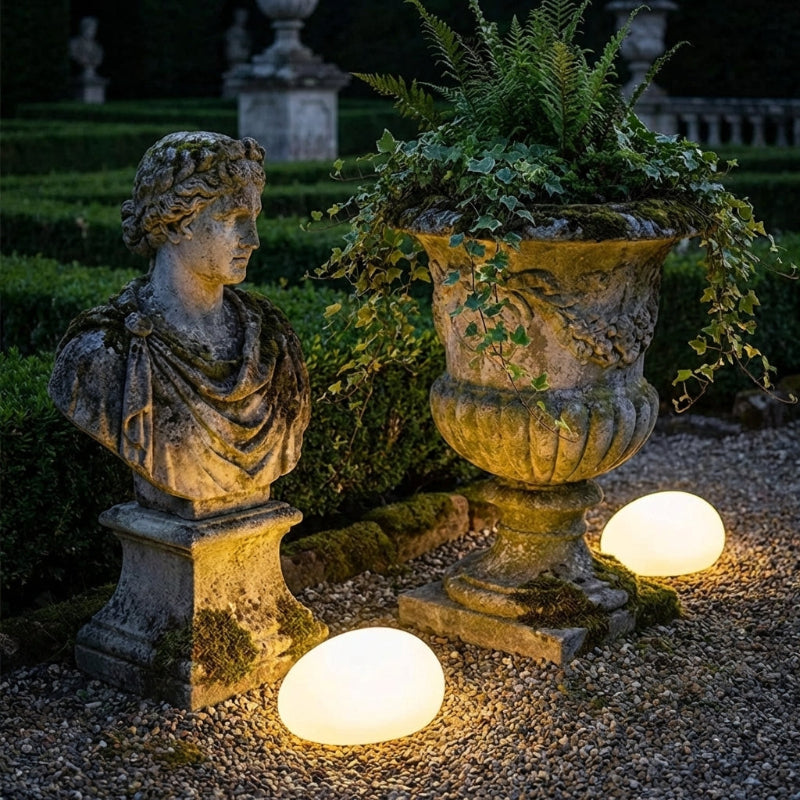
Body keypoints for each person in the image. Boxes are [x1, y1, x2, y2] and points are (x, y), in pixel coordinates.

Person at [49, 131, 310, 518]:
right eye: (232, 219)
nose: (252, 239)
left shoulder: (274, 340)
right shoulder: (99, 356)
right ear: (172, 223)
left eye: (254, 219)